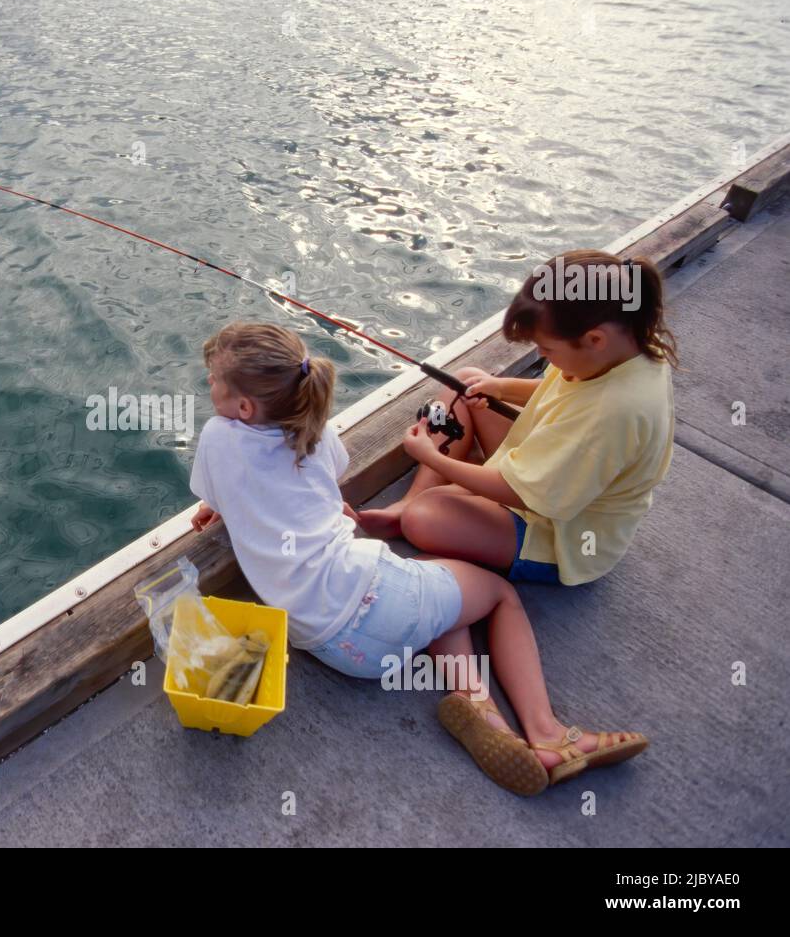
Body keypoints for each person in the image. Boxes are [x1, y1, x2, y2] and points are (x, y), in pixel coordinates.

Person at [189, 321, 646, 794]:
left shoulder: (218, 438)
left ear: (244, 407)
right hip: (379, 602)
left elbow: (235, 490)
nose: (209, 384)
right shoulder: (316, 431)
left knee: (438, 588)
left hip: (327, 644)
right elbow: (322, 470)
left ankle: (481, 708)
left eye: (214, 379)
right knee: (496, 594)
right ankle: (547, 733)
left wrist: (214, 503)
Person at [358, 250, 676, 585]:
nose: (541, 355)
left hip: (561, 534)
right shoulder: (625, 347)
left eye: (547, 349)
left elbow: (523, 494)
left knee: (425, 516)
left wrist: (431, 457)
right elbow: (565, 389)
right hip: (552, 467)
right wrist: (500, 387)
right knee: (465, 380)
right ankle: (410, 501)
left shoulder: (613, 413)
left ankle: (425, 503)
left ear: (594, 339)